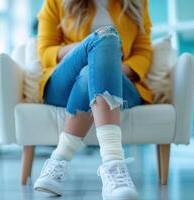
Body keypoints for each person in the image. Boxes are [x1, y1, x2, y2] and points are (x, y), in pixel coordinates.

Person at [34, 0, 153, 199]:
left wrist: (106, 68)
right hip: (64, 82)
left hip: (123, 82)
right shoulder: (55, 2)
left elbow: (144, 53)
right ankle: (114, 163)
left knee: (91, 72)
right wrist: (91, 48)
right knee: (105, 37)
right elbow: (45, 52)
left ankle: (61, 159)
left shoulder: (138, 2)